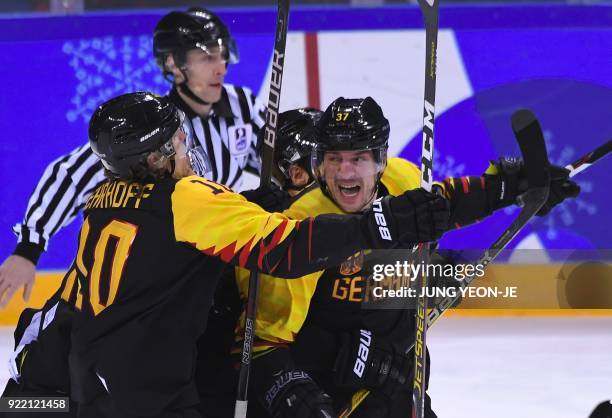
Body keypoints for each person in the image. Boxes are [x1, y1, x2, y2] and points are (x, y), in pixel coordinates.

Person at [29, 91, 450, 417]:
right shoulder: (196, 219)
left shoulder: (113, 207)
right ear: (154, 158)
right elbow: (273, 306)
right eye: (302, 172)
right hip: (159, 391)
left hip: (105, 385)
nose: (323, 182)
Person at [231, 96, 581, 417]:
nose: (346, 172)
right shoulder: (300, 229)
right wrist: (297, 395)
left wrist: (509, 188)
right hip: (337, 389)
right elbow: (262, 345)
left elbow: (444, 203)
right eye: (334, 158)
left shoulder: (403, 179)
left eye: (359, 158)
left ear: (381, 160)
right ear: (319, 164)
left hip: (399, 379)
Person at [0, 7, 266, 308]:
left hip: (219, 256)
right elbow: (69, 175)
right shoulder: (154, 125)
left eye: (221, 55)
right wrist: (29, 248)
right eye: (206, 58)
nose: (221, 68)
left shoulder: (242, 105)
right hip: (170, 267)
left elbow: (270, 164)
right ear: (173, 64)